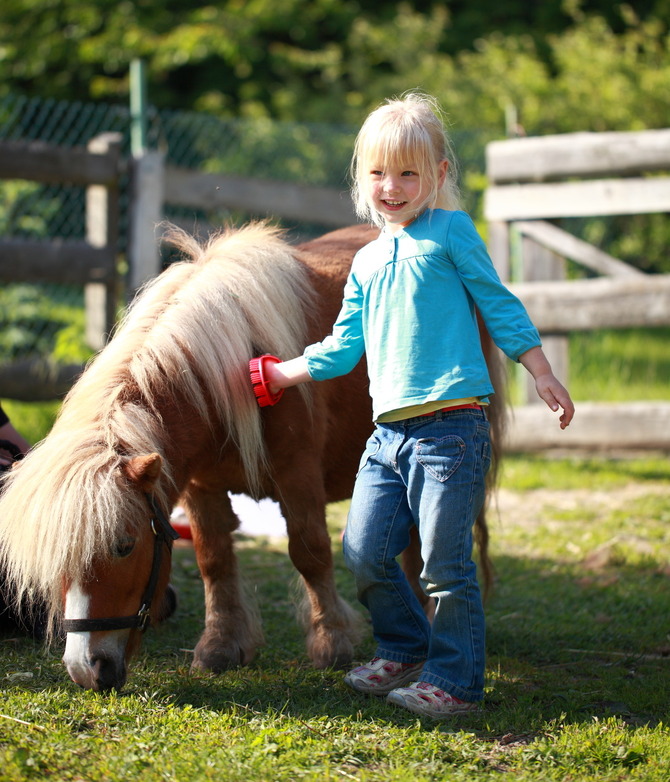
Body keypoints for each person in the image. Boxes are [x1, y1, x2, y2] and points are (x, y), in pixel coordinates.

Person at [258, 93, 574, 719]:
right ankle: (405, 648)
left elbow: (497, 301)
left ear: (437, 176)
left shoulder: (452, 232)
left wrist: (538, 368)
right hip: (387, 436)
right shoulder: (368, 261)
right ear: (361, 179)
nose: (393, 187)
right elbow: (342, 347)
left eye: (409, 173)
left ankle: (455, 681)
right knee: (364, 550)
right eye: (379, 173)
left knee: (443, 564)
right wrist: (280, 373)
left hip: (450, 431)